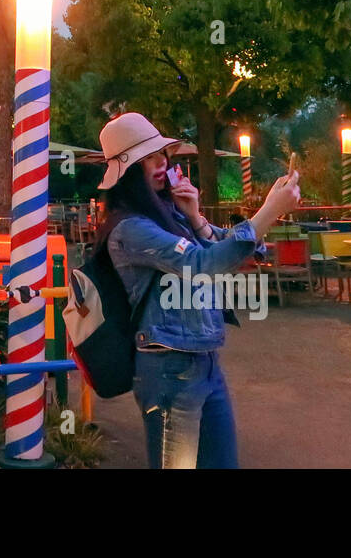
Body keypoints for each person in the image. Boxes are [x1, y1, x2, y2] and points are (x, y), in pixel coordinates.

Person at [96, 112, 302, 469]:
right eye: (148, 159)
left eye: (162, 154)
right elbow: (202, 264)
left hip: (204, 358)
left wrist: (194, 216)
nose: (161, 163)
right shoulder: (131, 228)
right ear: (127, 171)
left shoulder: (168, 213)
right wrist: (269, 211)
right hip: (168, 367)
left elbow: (228, 250)